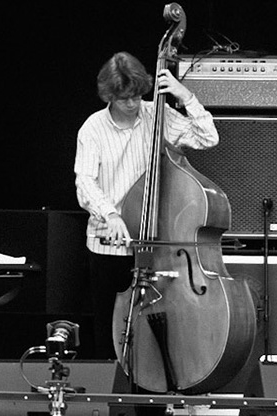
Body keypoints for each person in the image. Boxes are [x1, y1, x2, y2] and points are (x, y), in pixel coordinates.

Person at [72, 51, 218, 361]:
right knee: (111, 338)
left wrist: (186, 96)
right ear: (109, 95)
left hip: (156, 245)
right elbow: (84, 181)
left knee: (156, 335)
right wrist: (109, 213)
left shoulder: (157, 116)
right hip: (109, 249)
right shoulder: (92, 129)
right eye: (125, 98)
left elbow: (208, 138)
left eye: (138, 96)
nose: (133, 103)